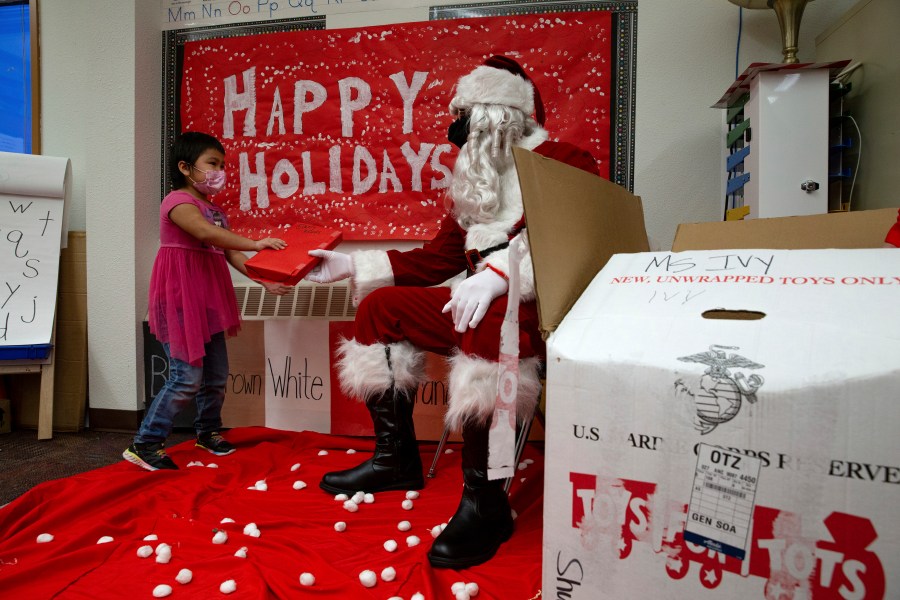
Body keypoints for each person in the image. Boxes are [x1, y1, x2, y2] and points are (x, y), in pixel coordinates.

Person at [305, 56, 599, 569]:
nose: (454, 129)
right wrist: (352, 265)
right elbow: (437, 259)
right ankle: (395, 460)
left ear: (497, 115)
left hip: (542, 308)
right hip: (476, 307)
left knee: (493, 319)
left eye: (464, 114)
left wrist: (502, 275)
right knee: (380, 307)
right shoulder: (478, 184)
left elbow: (574, 238)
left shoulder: (567, 159)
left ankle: (485, 503)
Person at [124, 132, 292, 472]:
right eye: (212, 164)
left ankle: (207, 432)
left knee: (216, 375)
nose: (219, 172)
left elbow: (229, 250)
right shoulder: (177, 202)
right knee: (186, 377)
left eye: (222, 165)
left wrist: (264, 281)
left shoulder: (215, 210)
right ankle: (145, 442)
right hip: (182, 297)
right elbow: (204, 233)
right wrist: (257, 242)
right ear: (186, 167)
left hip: (210, 298)